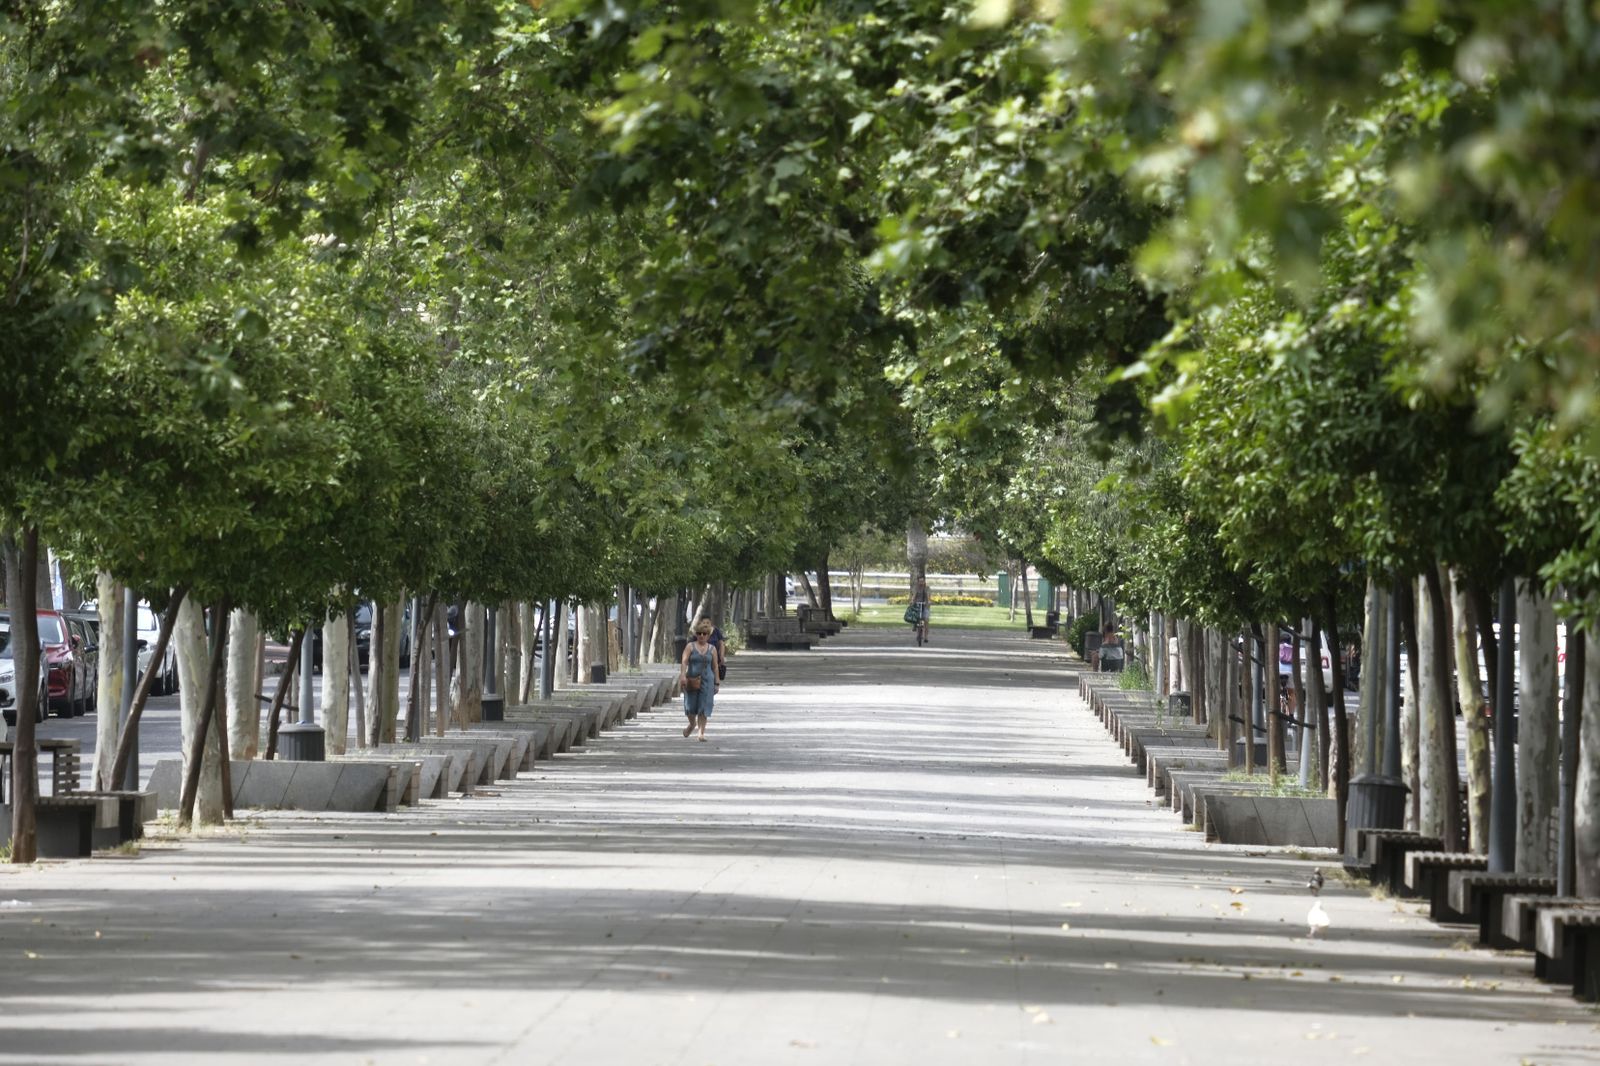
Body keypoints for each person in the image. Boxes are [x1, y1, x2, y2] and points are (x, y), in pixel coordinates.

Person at [680, 619, 719, 741]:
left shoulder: (712, 649)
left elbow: (715, 666)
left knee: (704, 706)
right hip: (691, 679)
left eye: (704, 634)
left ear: (708, 635)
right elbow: (684, 662)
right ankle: (692, 724)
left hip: (707, 681)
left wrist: (717, 682)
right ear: (696, 634)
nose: (701, 636)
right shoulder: (690, 647)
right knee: (690, 707)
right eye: (699, 633)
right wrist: (682, 675)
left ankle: (701, 733)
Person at [698, 615, 727, 681]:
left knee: (714, 673)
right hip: (702, 658)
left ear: (711, 623)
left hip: (715, 657)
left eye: (707, 623)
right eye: (704, 623)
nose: (706, 624)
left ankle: (713, 685)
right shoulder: (699, 632)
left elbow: (721, 643)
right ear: (701, 623)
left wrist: (722, 655)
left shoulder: (715, 630)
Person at [911, 578, 931, 645]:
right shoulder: (917, 588)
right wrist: (913, 601)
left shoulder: (927, 588)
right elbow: (914, 596)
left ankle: (926, 637)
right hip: (918, 605)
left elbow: (928, 597)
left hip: (925, 606)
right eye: (920, 581)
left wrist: (928, 602)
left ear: (924, 582)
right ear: (918, 582)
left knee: (926, 620)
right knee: (917, 619)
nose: (921, 583)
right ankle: (917, 632)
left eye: (922, 581)